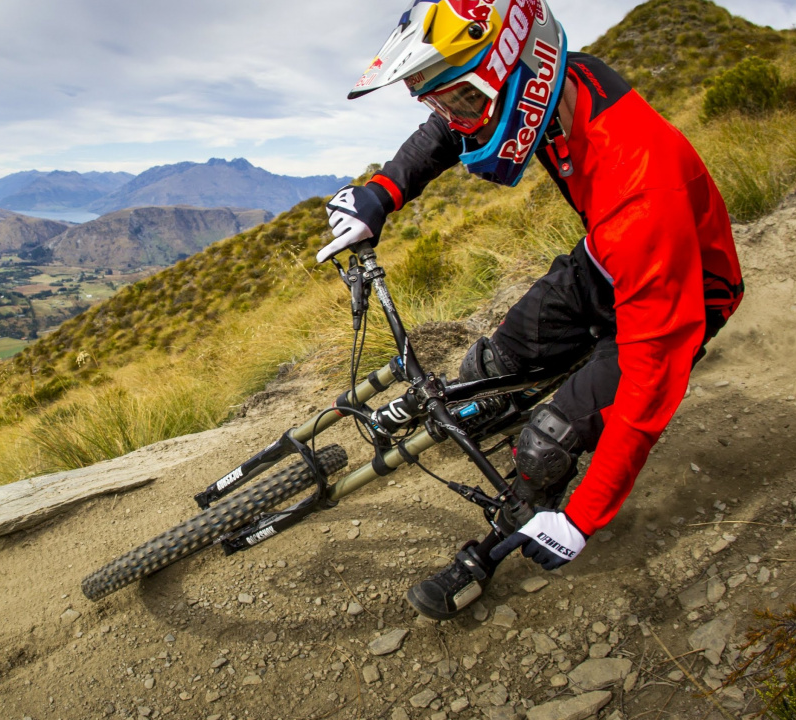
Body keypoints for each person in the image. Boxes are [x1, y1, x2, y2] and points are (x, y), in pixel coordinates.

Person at [316, 0, 744, 620]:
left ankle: (501, 541)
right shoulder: (553, 86)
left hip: (686, 289)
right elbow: (454, 128)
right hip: (610, 257)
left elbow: (651, 380)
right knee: (491, 364)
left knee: (547, 444)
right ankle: (504, 410)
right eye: (446, 101)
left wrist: (583, 517)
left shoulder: (639, 185)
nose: (458, 119)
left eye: (464, 100)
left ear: (519, 74)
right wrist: (382, 193)